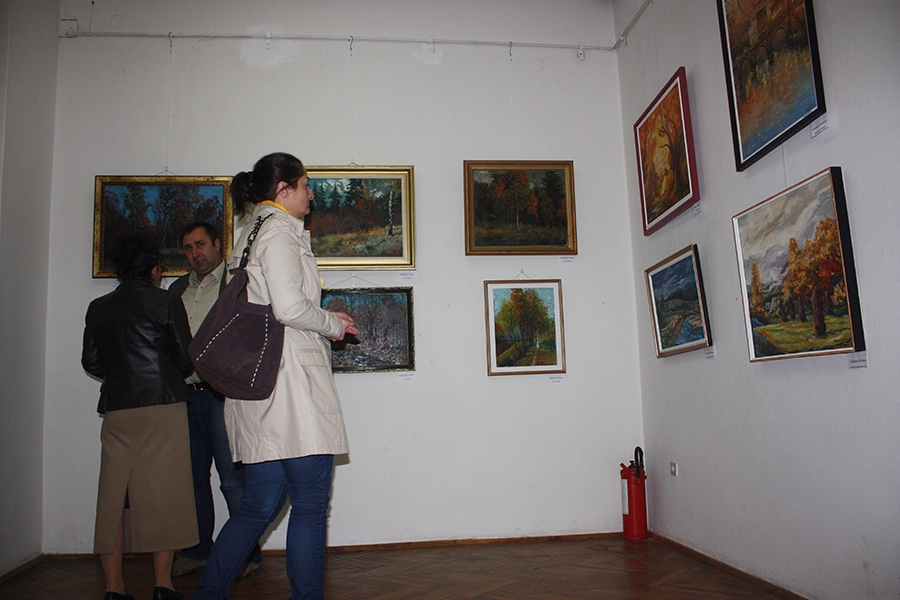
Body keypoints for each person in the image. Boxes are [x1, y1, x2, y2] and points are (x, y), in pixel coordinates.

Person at [193, 152, 357, 600]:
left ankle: (209, 593)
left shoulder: (249, 234)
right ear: (283, 190)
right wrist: (333, 323)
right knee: (309, 505)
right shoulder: (281, 232)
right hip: (291, 390)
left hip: (258, 389)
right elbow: (289, 308)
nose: (311, 194)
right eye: (305, 184)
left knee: (257, 506)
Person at [81, 234, 197, 600]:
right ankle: (162, 585)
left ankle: (114, 588)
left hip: (117, 409)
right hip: (162, 406)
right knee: (166, 495)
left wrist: (121, 375)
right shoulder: (166, 302)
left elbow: (91, 362)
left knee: (113, 499)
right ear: (154, 270)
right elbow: (186, 359)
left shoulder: (98, 307)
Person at [167, 222, 261, 579]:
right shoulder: (177, 290)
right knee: (192, 480)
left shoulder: (236, 284)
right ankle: (197, 550)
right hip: (185, 397)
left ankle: (247, 555)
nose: (196, 253)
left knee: (232, 480)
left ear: (218, 244)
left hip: (222, 398)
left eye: (201, 244)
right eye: (189, 248)